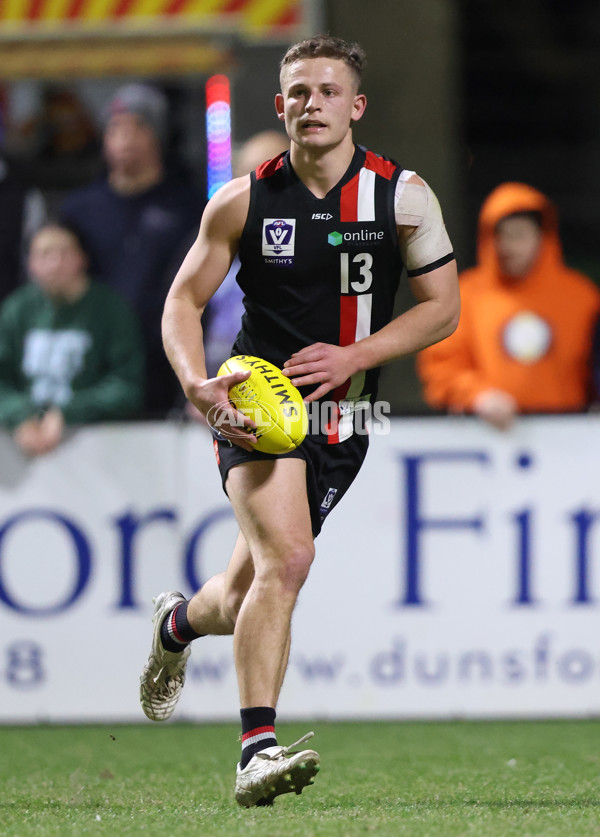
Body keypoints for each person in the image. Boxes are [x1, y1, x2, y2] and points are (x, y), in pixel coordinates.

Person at [139, 34, 460, 807]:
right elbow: (183, 300)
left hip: (343, 421)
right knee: (288, 560)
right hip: (255, 410)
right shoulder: (243, 199)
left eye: (326, 90)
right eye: (297, 92)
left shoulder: (401, 196)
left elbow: (443, 308)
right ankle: (256, 750)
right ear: (279, 104)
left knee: (241, 587)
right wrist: (196, 382)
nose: (310, 103)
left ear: (357, 106)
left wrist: (358, 356)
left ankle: (177, 625)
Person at [60, 83, 204, 418]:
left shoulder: (189, 208)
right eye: (116, 127)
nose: (126, 138)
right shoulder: (79, 209)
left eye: (138, 126)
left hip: (166, 357)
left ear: (158, 136)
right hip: (96, 363)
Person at [417, 182, 600, 430]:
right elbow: (441, 366)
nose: (508, 246)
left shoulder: (582, 295)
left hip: (567, 438)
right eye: (499, 235)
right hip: (487, 437)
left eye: (519, 235)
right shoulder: (466, 293)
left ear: (542, 237)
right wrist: (477, 396)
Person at [0, 223, 145, 457]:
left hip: (95, 445)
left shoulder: (110, 309)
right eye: (44, 254)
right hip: (22, 445)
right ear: (31, 264)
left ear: (81, 258)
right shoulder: (15, 310)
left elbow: (126, 386)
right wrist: (18, 415)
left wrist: (68, 412)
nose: (55, 263)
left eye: (64, 253)